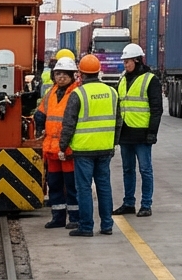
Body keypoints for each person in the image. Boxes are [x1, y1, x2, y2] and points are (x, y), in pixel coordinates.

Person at [57, 54, 117, 237]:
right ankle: (107, 225)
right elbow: (119, 122)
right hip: (105, 148)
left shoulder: (78, 94)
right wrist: (113, 143)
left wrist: (62, 147)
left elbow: (69, 123)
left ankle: (86, 226)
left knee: (84, 188)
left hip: (83, 150)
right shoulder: (112, 92)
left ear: (80, 74)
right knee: (104, 186)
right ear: (98, 72)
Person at [113, 43, 160, 218]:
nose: (125, 65)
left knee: (145, 170)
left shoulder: (150, 80)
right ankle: (128, 203)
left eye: (127, 61)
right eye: (124, 62)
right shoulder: (122, 79)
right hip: (125, 133)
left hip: (142, 134)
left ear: (137, 60)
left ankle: (146, 204)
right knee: (127, 170)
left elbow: (156, 109)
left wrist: (152, 133)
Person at [39, 56, 80, 229]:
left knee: (71, 185)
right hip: (51, 149)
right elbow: (41, 113)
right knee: (54, 184)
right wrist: (39, 126)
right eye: (58, 74)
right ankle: (58, 217)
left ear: (72, 76)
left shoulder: (76, 93)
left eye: (65, 74)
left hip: (68, 148)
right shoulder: (51, 93)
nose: (61, 77)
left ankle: (75, 218)